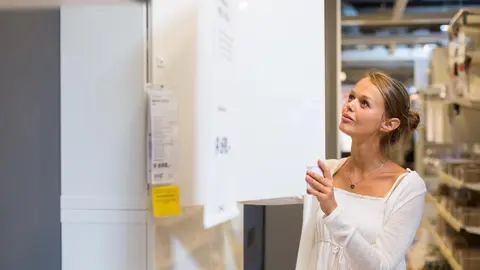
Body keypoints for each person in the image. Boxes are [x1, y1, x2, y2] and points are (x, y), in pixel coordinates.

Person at [296, 72, 426, 269]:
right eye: (351, 97)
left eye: (364, 103)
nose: (350, 105)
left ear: (388, 124)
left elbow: (382, 265)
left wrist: (333, 211)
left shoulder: (408, 188)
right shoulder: (326, 171)